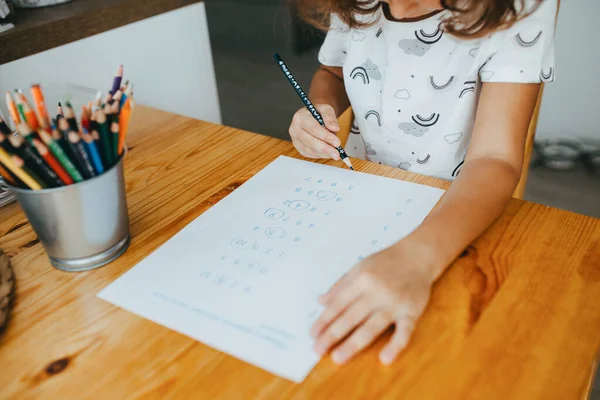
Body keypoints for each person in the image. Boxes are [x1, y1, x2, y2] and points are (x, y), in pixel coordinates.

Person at [289, 0, 557, 366]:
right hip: (358, 191)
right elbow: (333, 73)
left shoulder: (516, 10)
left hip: (455, 216)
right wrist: (320, 108)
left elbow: (495, 159)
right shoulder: (352, 4)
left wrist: (417, 258)